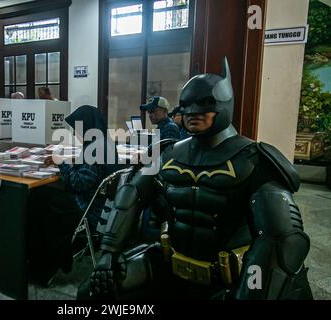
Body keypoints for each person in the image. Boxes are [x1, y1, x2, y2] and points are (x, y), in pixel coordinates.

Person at [79, 58, 313, 300]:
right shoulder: (168, 152)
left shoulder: (255, 160)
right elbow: (131, 195)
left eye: (204, 104)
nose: (193, 112)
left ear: (224, 104)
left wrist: (251, 290)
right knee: (91, 293)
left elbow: (279, 242)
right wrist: (109, 251)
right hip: (169, 263)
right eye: (187, 105)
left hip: (230, 279)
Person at [28, 105, 121, 286]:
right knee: (46, 195)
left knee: (38, 197)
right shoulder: (104, 142)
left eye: (78, 129)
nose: (77, 133)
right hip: (104, 208)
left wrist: (61, 162)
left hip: (88, 210)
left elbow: (79, 183)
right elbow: (91, 172)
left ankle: (41, 263)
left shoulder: (95, 148)